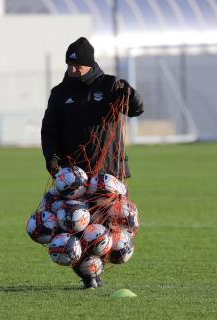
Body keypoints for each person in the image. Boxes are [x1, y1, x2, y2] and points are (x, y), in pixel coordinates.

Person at [40, 37, 144, 289]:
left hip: (109, 171)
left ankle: (97, 269)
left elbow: (135, 109)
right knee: (76, 225)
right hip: (74, 175)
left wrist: (131, 94)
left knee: (109, 229)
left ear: (89, 63)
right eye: (69, 65)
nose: (72, 69)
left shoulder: (109, 85)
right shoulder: (59, 93)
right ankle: (89, 275)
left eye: (78, 65)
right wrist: (52, 157)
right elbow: (49, 129)